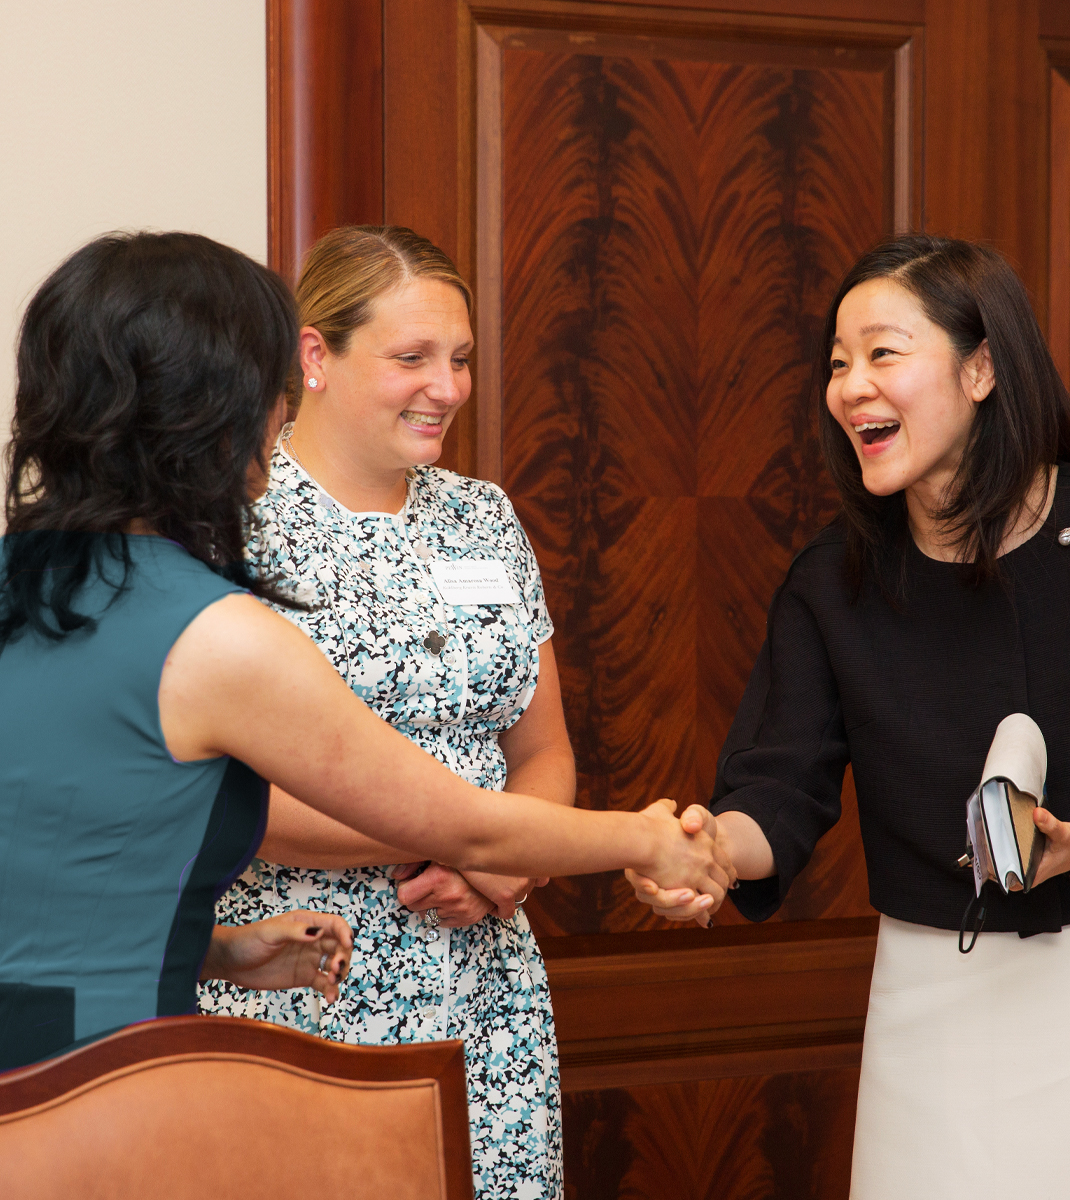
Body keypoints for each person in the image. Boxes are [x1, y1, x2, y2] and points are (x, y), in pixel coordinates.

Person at [0, 231, 735, 1073]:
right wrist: (646, 841)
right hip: (96, 1076)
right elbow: (466, 827)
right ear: (206, 411)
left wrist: (217, 951)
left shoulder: (32, 582)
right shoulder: (209, 630)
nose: (277, 410)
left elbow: (67, 863)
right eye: (265, 384)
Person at [630, 234, 1070, 1197]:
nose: (850, 386)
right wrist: (709, 852)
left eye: (882, 353)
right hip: (933, 999)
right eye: (837, 363)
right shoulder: (835, 581)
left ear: (982, 369)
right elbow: (777, 791)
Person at [198, 226, 571, 1198]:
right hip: (306, 975)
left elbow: (542, 749)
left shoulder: (483, 516)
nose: (446, 387)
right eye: (412, 357)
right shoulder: (231, 523)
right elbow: (223, 789)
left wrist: (512, 858)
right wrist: (459, 840)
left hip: (485, 980)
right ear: (315, 355)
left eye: (460, 359)